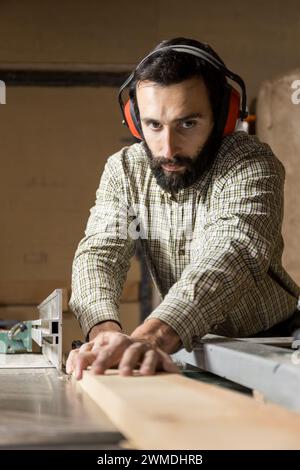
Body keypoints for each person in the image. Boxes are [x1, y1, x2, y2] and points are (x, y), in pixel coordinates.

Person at [66, 37, 300, 380]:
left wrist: (152, 335)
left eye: (187, 123)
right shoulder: (125, 170)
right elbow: (100, 253)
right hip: (192, 345)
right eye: (153, 125)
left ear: (223, 116)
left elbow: (230, 253)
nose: (168, 149)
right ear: (135, 121)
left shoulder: (250, 163)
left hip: (274, 343)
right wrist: (105, 335)